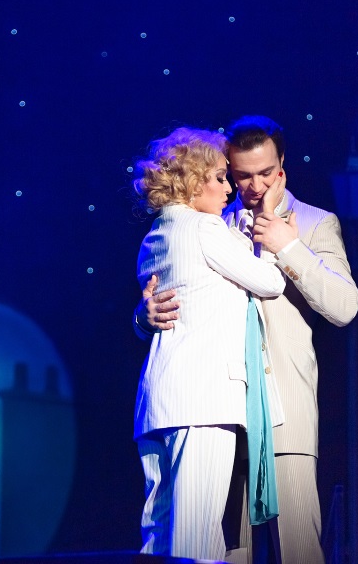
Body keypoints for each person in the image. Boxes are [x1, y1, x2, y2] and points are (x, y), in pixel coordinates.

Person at [136, 115, 358, 563]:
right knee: (221, 550)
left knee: (298, 551)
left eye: (266, 173)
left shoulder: (314, 222)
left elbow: (344, 306)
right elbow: (169, 288)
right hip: (219, 406)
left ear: (282, 166)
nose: (255, 186)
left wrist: (288, 247)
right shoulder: (209, 219)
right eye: (242, 175)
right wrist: (144, 317)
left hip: (284, 413)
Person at [131, 126, 295, 560]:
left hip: (158, 403)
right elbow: (270, 282)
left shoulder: (154, 235)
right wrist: (272, 231)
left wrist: (140, 317)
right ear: (190, 181)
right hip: (202, 400)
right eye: (220, 178)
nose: (229, 189)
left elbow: (159, 304)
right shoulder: (204, 227)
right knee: (197, 541)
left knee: (159, 535)